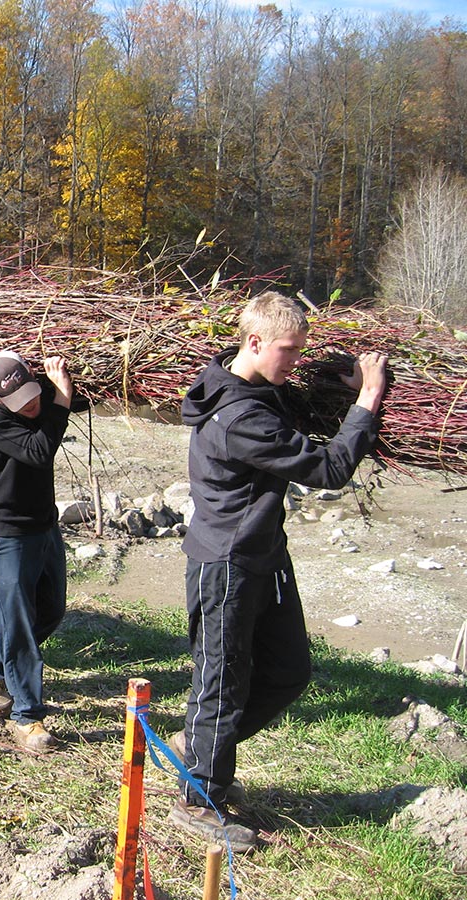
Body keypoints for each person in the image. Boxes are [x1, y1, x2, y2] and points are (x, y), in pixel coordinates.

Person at [170, 291, 388, 852]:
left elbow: (284, 403)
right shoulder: (240, 416)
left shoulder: (246, 382)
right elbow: (331, 468)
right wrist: (366, 398)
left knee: (289, 672)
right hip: (227, 563)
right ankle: (199, 798)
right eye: (289, 352)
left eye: (300, 352)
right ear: (255, 342)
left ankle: (200, 752)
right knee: (221, 683)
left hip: (264, 555)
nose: (294, 362)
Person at [0, 351, 80, 751]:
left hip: (43, 525)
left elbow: (74, 402)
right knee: (21, 629)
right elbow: (37, 450)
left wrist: (62, 389)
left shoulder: (42, 391)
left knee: (50, 611)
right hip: (5, 533)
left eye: (33, 395)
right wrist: (60, 399)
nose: (31, 405)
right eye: (19, 402)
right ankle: (27, 716)